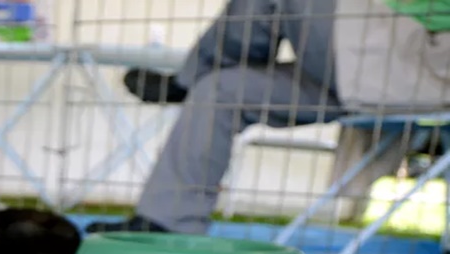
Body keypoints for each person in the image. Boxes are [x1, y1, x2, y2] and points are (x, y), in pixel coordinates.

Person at [86, 0, 450, 235]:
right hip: (359, 71)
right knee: (220, 90)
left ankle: (188, 77)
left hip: (420, 68)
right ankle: (164, 223)